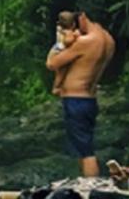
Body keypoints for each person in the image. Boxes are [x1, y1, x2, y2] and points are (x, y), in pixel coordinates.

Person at [44, 10, 115, 176]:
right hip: (89, 98)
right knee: (83, 146)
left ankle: (91, 187)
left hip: (76, 99)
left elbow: (52, 63)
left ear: (82, 17)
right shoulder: (108, 39)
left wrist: (59, 43)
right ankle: (86, 186)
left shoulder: (86, 41)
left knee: (85, 151)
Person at [49, 11, 81, 96]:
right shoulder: (67, 32)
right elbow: (68, 41)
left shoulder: (60, 29)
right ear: (73, 24)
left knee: (64, 72)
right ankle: (56, 87)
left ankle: (63, 85)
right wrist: (75, 36)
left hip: (57, 50)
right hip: (60, 52)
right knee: (61, 72)